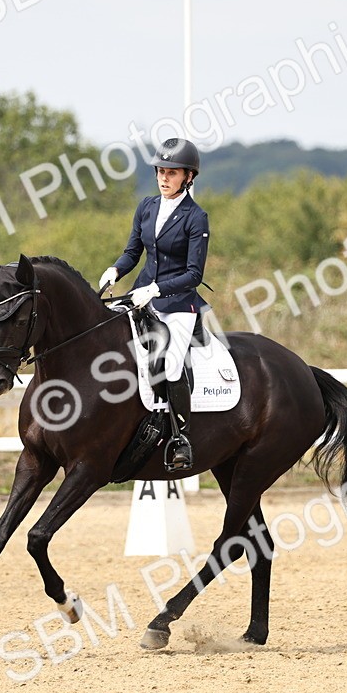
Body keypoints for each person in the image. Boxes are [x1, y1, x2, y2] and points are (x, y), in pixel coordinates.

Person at [98, 137, 209, 473]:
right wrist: (116, 270)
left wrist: (157, 289)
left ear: (188, 176)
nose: (164, 178)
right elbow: (133, 252)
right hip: (141, 296)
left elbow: (193, 274)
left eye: (172, 173)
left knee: (170, 365)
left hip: (178, 304)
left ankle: (179, 437)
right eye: (160, 171)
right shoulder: (146, 207)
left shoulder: (196, 217)